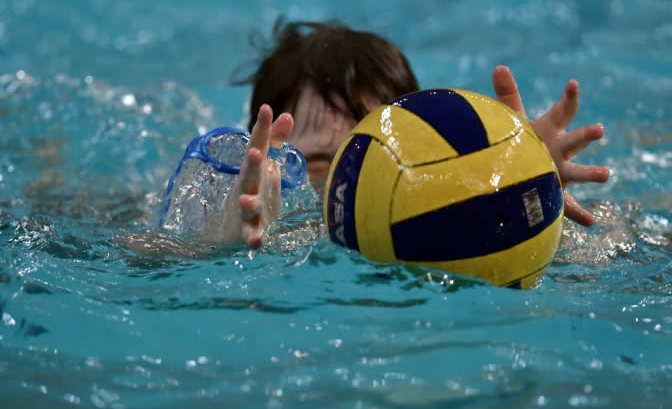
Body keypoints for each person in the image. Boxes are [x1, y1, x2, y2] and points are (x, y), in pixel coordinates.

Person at [227, 20, 610, 248]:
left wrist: (531, 190)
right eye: (320, 164)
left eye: (375, 160)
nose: (348, 183)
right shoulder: (270, 230)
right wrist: (227, 239)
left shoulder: (442, 211)